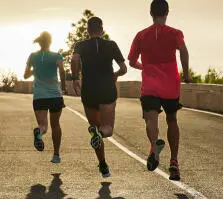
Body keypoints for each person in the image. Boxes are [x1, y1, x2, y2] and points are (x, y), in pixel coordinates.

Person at [127, 0, 192, 181]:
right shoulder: (175, 33)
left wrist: (144, 67)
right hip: (171, 84)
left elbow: (131, 61)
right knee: (172, 119)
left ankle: (154, 145)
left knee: (151, 117)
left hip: (150, 85)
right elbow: (184, 51)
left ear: (151, 13)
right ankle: (174, 162)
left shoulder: (141, 35)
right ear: (167, 12)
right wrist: (186, 74)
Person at [71, 17, 128, 178]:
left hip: (88, 90)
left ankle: (102, 164)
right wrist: (115, 75)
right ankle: (99, 135)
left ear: (88, 31)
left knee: (94, 126)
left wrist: (75, 78)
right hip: (106, 89)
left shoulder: (80, 45)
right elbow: (123, 68)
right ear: (102, 30)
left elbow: (75, 59)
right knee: (107, 129)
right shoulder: (111, 45)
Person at [24, 31, 67, 163]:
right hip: (54, 95)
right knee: (55, 125)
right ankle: (56, 155)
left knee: (43, 125)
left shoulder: (33, 56)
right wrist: (63, 87)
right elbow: (61, 69)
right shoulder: (56, 56)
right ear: (50, 42)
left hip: (39, 96)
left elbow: (25, 75)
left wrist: (35, 69)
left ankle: (39, 132)